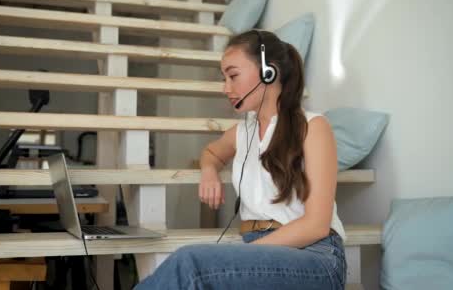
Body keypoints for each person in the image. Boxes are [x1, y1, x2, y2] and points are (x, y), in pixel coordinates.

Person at [135, 30, 346, 289]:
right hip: (259, 251)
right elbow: (211, 152)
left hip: (314, 256)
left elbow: (316, 226)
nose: (226, 88)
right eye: (224, 78)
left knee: (190, 263)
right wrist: (209, 170)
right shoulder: (241, 133)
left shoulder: (313, 127)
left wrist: (245, 256)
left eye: (233, 75)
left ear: (269, 72)